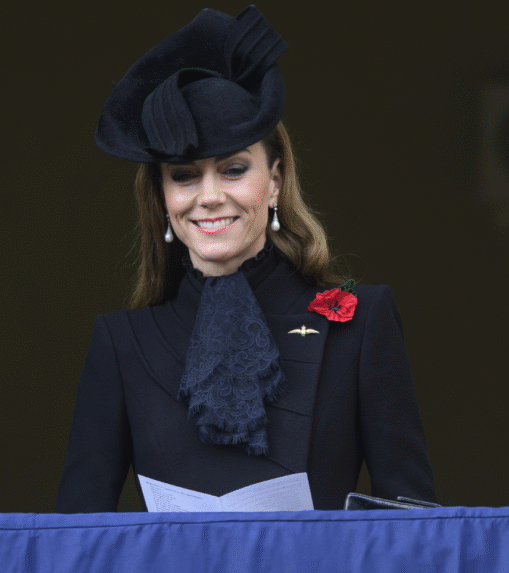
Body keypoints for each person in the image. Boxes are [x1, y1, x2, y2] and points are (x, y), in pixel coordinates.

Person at [55, 6, 436, 512]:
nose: (209, 197)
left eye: (233, 170)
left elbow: (413, 522)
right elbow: (76, 535)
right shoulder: (120, 341)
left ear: (275, 182)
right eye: (184, 176)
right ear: (162, 197)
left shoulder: (362, 322)